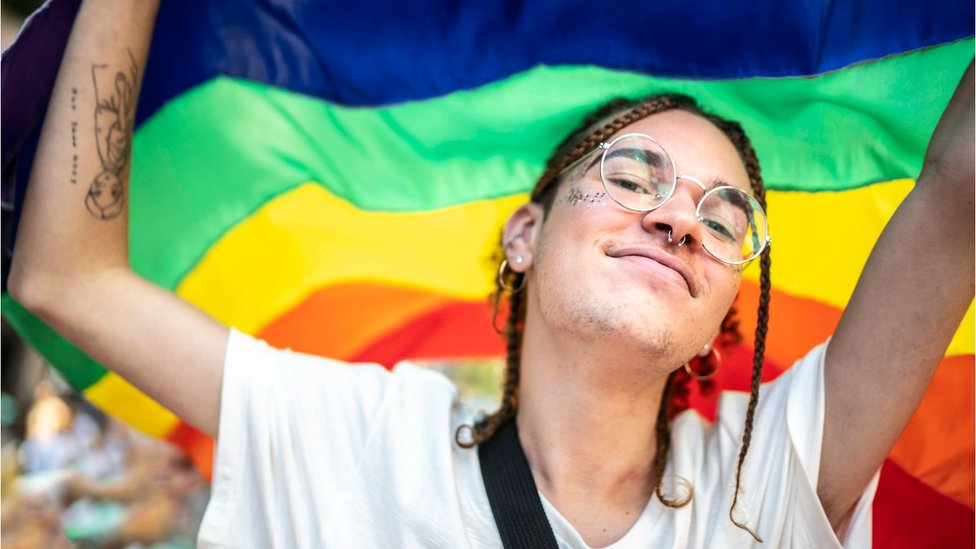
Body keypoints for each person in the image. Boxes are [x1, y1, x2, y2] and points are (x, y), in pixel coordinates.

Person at [6, 0, 973, 547]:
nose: (681, 218)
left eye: (727, 220)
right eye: (635, 175)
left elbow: (958, 192)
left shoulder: (774, 483)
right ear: (524, 233)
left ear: (726, 309)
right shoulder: (354, 439)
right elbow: (67, 280)